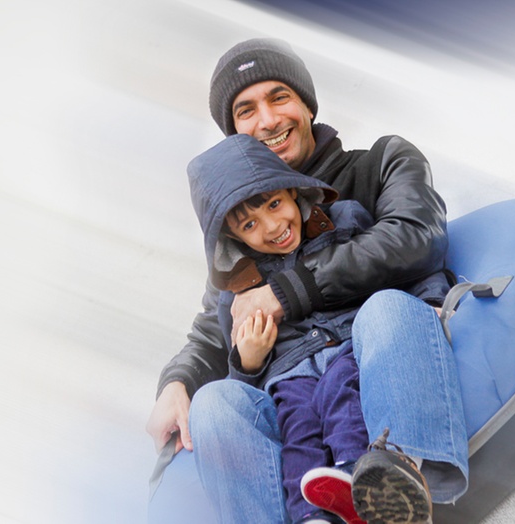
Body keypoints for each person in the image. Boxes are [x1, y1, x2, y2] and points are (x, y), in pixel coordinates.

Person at [146, 38, 468, 524]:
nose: (269, 120)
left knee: (387, 307)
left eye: (279, 97)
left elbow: (414, 238)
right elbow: (214, 330)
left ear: (306, 105)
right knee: (215, 401)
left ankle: (397, 483)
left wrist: (283, 293)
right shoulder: (238, 243)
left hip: (374, 355)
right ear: (234, 134)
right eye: (246, 110)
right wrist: (177, 382)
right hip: (298, 382)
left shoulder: (378, 163)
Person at [188, 132, 376, 523]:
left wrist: (432, 300)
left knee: (340, 395)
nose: (273, 226)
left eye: (275, 204)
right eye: (251, 225)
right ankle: (310, 516)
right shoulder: (237, 293)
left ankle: (357, 479)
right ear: (232, 238)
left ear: (294, 191)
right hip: (291, 372)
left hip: (344, 345)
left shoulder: (342, 222)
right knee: (299, 432)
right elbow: (237, 371)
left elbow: (386, 271)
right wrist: (249, 361)